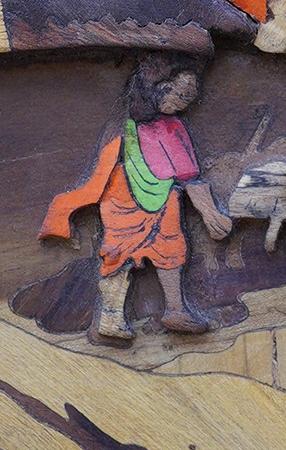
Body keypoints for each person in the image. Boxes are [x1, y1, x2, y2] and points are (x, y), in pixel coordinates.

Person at [41, 52, 231, 345]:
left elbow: (189, 175)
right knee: (119, 252)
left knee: (172, 249)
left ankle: (176, 310)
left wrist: (210, 212)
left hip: (165, 200)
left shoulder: (174, 128)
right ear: (156, 86)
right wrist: (210, 214)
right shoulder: (123, 124)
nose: (185, 102)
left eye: (190, 98)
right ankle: (111, 317)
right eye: (180, 93)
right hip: (123, 198)